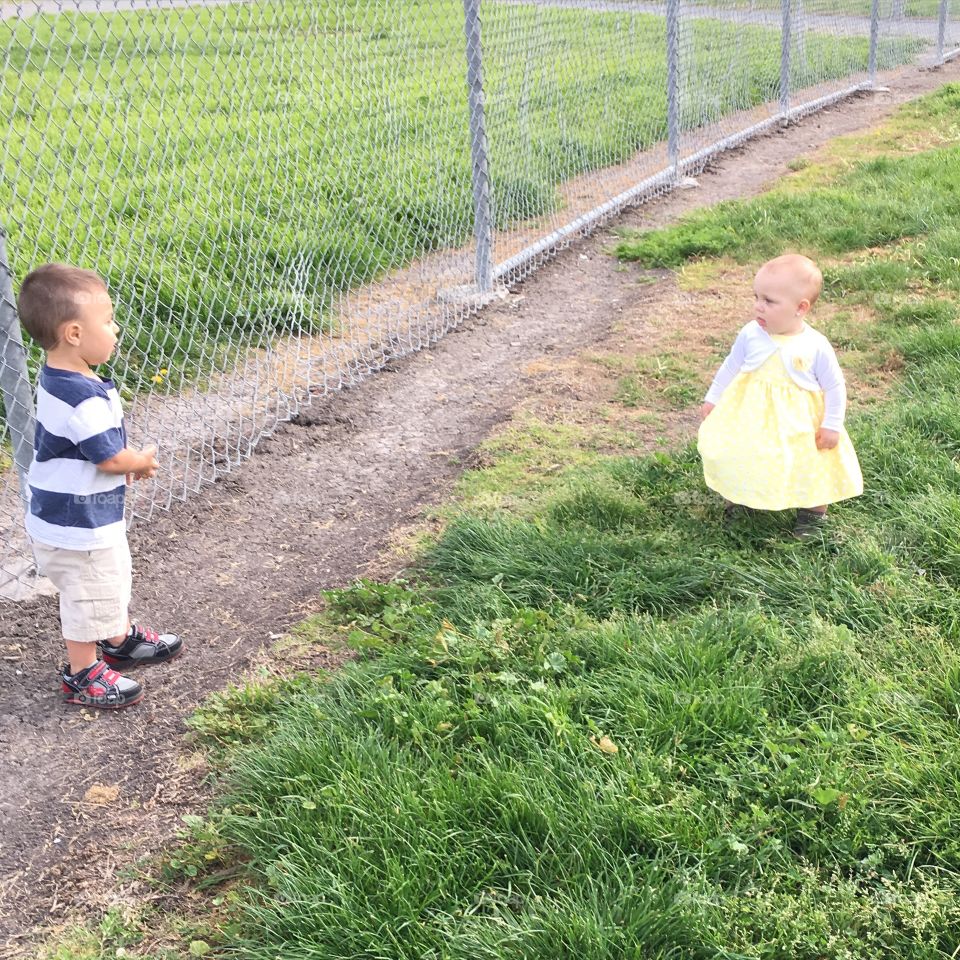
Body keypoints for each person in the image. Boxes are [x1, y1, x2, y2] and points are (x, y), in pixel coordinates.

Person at [17, 263, 182, 708]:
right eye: (107, 320)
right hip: (76, 527)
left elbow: (92, 448)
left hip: (78, 515)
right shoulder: (80, 397)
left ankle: (117, 638)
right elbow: (107, 456)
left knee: (109, 580)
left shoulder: (64, 377)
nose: (116, 328)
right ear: (73, 333)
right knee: (86, 595)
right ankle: (83, 673)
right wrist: (138, 462)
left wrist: (114, 460)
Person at [698, 254, 862, 538]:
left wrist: (832, 424)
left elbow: (835, 386)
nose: (758, 306)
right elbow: (731, 366)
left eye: (769, 301)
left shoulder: (815, 345)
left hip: (799, 423)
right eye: (756, 297)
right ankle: (740, 501)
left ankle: (812, 514)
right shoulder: (750, 334)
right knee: (741, 454)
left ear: (801, 308)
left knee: (810, 464)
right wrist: (714, 397)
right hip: (750, 416)